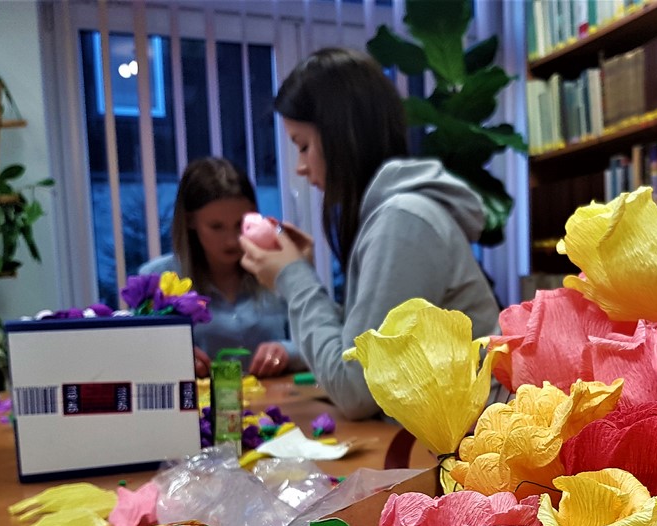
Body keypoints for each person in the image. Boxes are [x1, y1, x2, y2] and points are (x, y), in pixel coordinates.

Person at [239, 48, 501, 420]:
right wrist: (299, 278)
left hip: (475, 444)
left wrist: (293, 279)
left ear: (342, 136)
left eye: (303, 146)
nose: (300, 167)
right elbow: (357, 350)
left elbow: (357, 389)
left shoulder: (402, 221)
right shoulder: (392, 216)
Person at [140, 157, 304, 379]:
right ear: (190, 221)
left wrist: (288, 351)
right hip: (203, 400)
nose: (231, 240)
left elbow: (327, 345)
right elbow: (139, 359)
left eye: (240, 224)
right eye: (216, 227)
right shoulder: (157, 280)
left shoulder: (279, 268)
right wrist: (173, 359)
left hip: (281, 398)